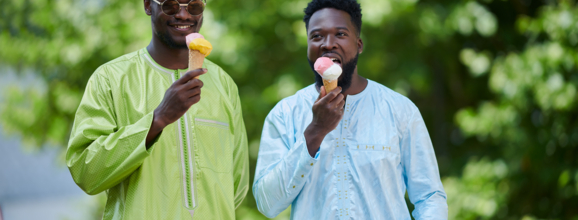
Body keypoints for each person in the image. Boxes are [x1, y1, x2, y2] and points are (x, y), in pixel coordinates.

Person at [252, 0, 448, 219]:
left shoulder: (400, 110)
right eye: (316, 36)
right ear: (308, 47)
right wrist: (315, 131)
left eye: (340, 34)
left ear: (359, 44)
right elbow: (267, 204)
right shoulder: (284, 114)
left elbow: (430, 196)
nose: (328, 44)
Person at [66, 0, 249, 219]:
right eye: (170, 5)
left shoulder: (223, 84)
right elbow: (87, 172)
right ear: (147, 5)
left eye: (194, 6)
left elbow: (236, 186)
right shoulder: (110, 79)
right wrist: (157, 120)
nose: (183, 14)